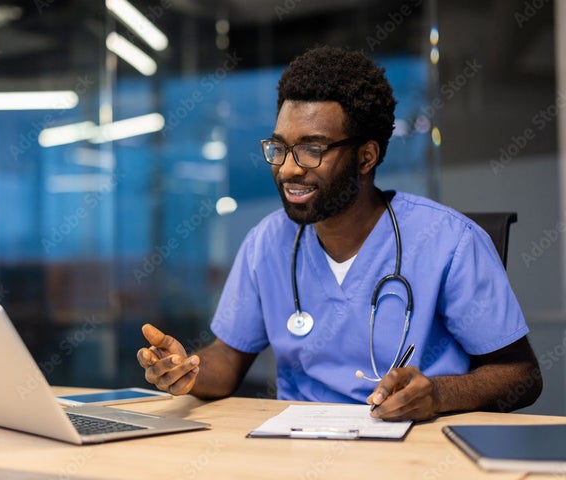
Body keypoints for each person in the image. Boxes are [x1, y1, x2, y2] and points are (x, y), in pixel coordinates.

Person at [137, 45, 542, 422]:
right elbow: (228, 358)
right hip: (298, 446)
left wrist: (437, 395)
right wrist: (187, 370)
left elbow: (521, 374)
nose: (289, 169)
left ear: (366, 156)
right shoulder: (267, 242)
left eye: (312, 149)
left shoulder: (449, 241)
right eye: (279, 148)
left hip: (413, 450)